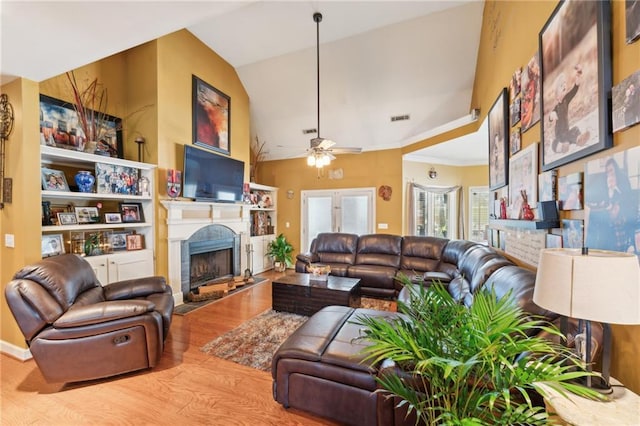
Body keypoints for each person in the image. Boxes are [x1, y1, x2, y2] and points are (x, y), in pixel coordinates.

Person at [586, 158, 638, 253]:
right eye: (607, 172)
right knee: (597, 219)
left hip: (624, 212)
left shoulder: (623, 179)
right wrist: (610, 190)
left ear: (616, 170)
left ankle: (628, 245)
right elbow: (605, 200)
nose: (609, 173)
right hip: (609, 215)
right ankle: (596, 249)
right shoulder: (605, 182)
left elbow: (628, 199)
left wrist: (615, 188)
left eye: (611, 170)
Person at [548, 65, 590, 154]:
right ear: (556, 94)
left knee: (575, 129)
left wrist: (579, 74)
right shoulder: (557, 107)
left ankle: (579, 139)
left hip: (566, 132)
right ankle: (562, 147)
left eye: (565, 84)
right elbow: (550, 116)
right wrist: (552, 116)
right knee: (554, 144)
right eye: (561, 86)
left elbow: (575, 89)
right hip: (559, 135)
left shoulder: (566, 100)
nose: (564, 86)